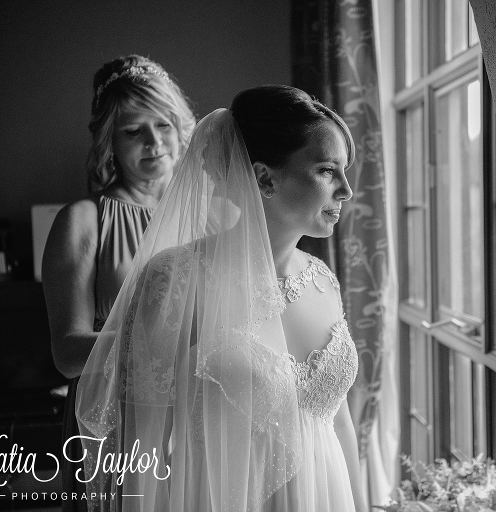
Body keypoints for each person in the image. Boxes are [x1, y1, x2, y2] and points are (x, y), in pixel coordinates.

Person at [75, 85, 368, 511]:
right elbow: (143, 444)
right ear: (265, 177)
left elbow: (338, 421)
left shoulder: (323, 280)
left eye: (344, 171)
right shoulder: (176, 279)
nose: (346, 190)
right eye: (327, 170)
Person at [42, 54, 195, 512]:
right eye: (134, 131)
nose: (154, 142)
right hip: (114, 422)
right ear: (110, 142)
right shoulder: (83, 222)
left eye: (163, 125)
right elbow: (67, 355)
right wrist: (162, 342)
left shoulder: (215, 219)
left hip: (196, 418)